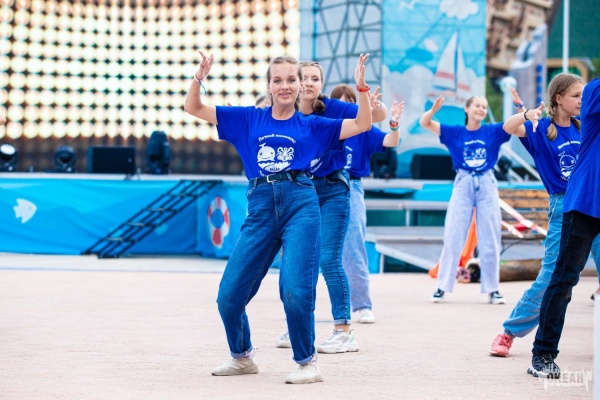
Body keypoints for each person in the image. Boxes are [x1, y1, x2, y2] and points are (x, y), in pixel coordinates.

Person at [184, 51, 373, 384]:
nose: (284, 86)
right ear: (269, 86)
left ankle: (306, 362)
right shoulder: (249, 118)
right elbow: (194, 108)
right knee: (228, 296)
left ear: (299, 85)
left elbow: (363, 124)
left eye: (291, 80)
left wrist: (362, 89)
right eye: (277, 80)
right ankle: (242, 357)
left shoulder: (312, 125)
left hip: (301, 202)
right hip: (260, 206)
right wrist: (199, 78)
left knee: (295, 289)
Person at [490, 73, 600, 358]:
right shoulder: (541, 128)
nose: (582, 101)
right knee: (552, 275)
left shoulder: (585, 126)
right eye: (575, 96)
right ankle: (509, 332)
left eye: (583, 95)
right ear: (558, 98)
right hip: (564, 205)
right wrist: (526, 114)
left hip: (593, 202)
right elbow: (507, 127)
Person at [527, 77, 600, 379]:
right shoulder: (594, 93)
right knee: (563, 280)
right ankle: (542, 355)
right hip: (584, 205)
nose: (578, 97)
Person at [420, 95, 509, 304]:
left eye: (484, 107)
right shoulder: (455, 132)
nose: (481, 109)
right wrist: (433, 110)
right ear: (467, 108)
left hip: (486, 181)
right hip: (463, 181)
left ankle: (493, 289)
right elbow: (425, 122)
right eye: (477, 105)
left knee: (490, 236)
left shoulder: (492, 131)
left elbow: (515, 126)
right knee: (453, 234)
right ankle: (442, 286)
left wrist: (522, 109)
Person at [329, 83, 404, 324]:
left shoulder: (364, 129)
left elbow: (391, 141)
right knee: (313, 247)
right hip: (323, 186)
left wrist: (393, 123)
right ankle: (307, 309)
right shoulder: (326, 127)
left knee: (354, 244)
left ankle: (362, 305)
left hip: (351, 186)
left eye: (351, 103)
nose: (347, 109)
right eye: (341, 104)